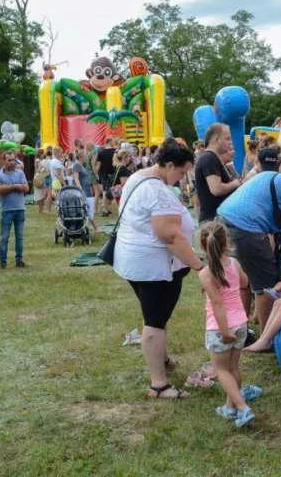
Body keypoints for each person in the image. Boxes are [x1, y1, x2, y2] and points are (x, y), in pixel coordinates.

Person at [112, 139, 206, 400]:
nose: (182, 177)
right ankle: (159, 385)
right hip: (153, 267)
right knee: (154, 321)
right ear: (169, 165)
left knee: (154, 315)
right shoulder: (157, 191)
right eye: (181, 171)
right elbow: (170, 236)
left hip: (136, 261)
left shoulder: (138, 177)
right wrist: (199, 265)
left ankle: (161, 360)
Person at [216, 170, 281, 334]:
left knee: (243, 281)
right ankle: (266, 335)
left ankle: (240, 330)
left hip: (226, 217)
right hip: (246, 226)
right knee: (266, 285)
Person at [198, 221, 259, 428]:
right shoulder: (234, 263)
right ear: (226, 243)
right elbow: (244, 283)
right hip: (240, 322)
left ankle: (242, 408)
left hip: (220, 327)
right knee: (233, 367)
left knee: (221, 370)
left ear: (202, 245)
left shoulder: (206, 274)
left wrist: (224, 332)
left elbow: (217, 303)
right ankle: (229, 407)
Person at [194, 123, 242, 222]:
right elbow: (216, 189)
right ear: (216, 140)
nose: (230, 142)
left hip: (216, 220)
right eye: (227, 139)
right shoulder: (209, 158)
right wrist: (235, 183)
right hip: (214, 222)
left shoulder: (212, 158)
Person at [0, 150, 29, 269]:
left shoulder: (20, 173)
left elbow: (26, 188)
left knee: (20, 237)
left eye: (14, 160)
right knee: (4, 237)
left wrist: (9, 187)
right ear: (3, 161)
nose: (12, 162)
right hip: (6, 210)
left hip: (20, 209)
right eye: (9, 160)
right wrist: (15, 186)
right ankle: (3, 263)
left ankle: (19, 260)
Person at [94, 139, 117, 216]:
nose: (114, 143)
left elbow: (98, 164)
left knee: (105, 190)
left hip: (103, 173)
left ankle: (106, 208)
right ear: (110, 142)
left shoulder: (101, 152)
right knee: (110, 191)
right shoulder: (115, 151)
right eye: (113, 142)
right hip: (113, 173)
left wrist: (96, 173)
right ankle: (105, 209)